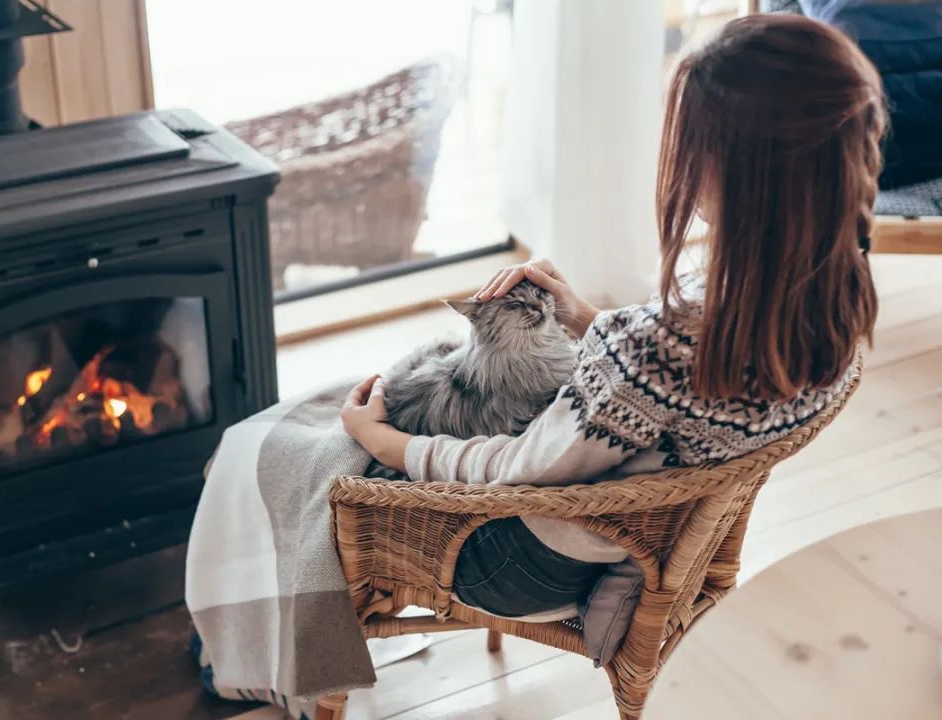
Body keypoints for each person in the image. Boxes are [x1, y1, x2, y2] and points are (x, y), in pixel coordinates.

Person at [341, 13, 884, 618]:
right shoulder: (837, 300)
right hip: (657, 544)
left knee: (317, 470)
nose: (673, 150)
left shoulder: (655, 348)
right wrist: (583, 317)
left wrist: (391, 446)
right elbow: (669, 384)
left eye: (686, 136)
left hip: (524, 565)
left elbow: (519, 471)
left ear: (734, 169)